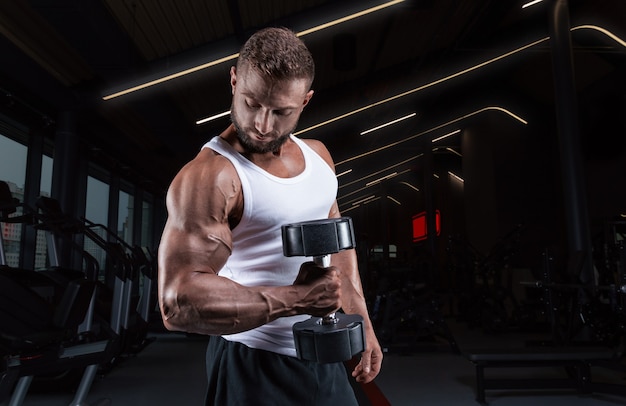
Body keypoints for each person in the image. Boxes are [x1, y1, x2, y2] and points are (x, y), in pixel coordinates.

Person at [158, 27, 382, 405]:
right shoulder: (211, 176)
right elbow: (177, 301)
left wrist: (360, 319)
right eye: (251, 103)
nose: (262, 125)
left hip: (322, 358)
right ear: (233, 80)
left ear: (305, 101)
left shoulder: (319, 156)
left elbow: (336, 242)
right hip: (252, 362)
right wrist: (298, 299)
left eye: (281, 112)